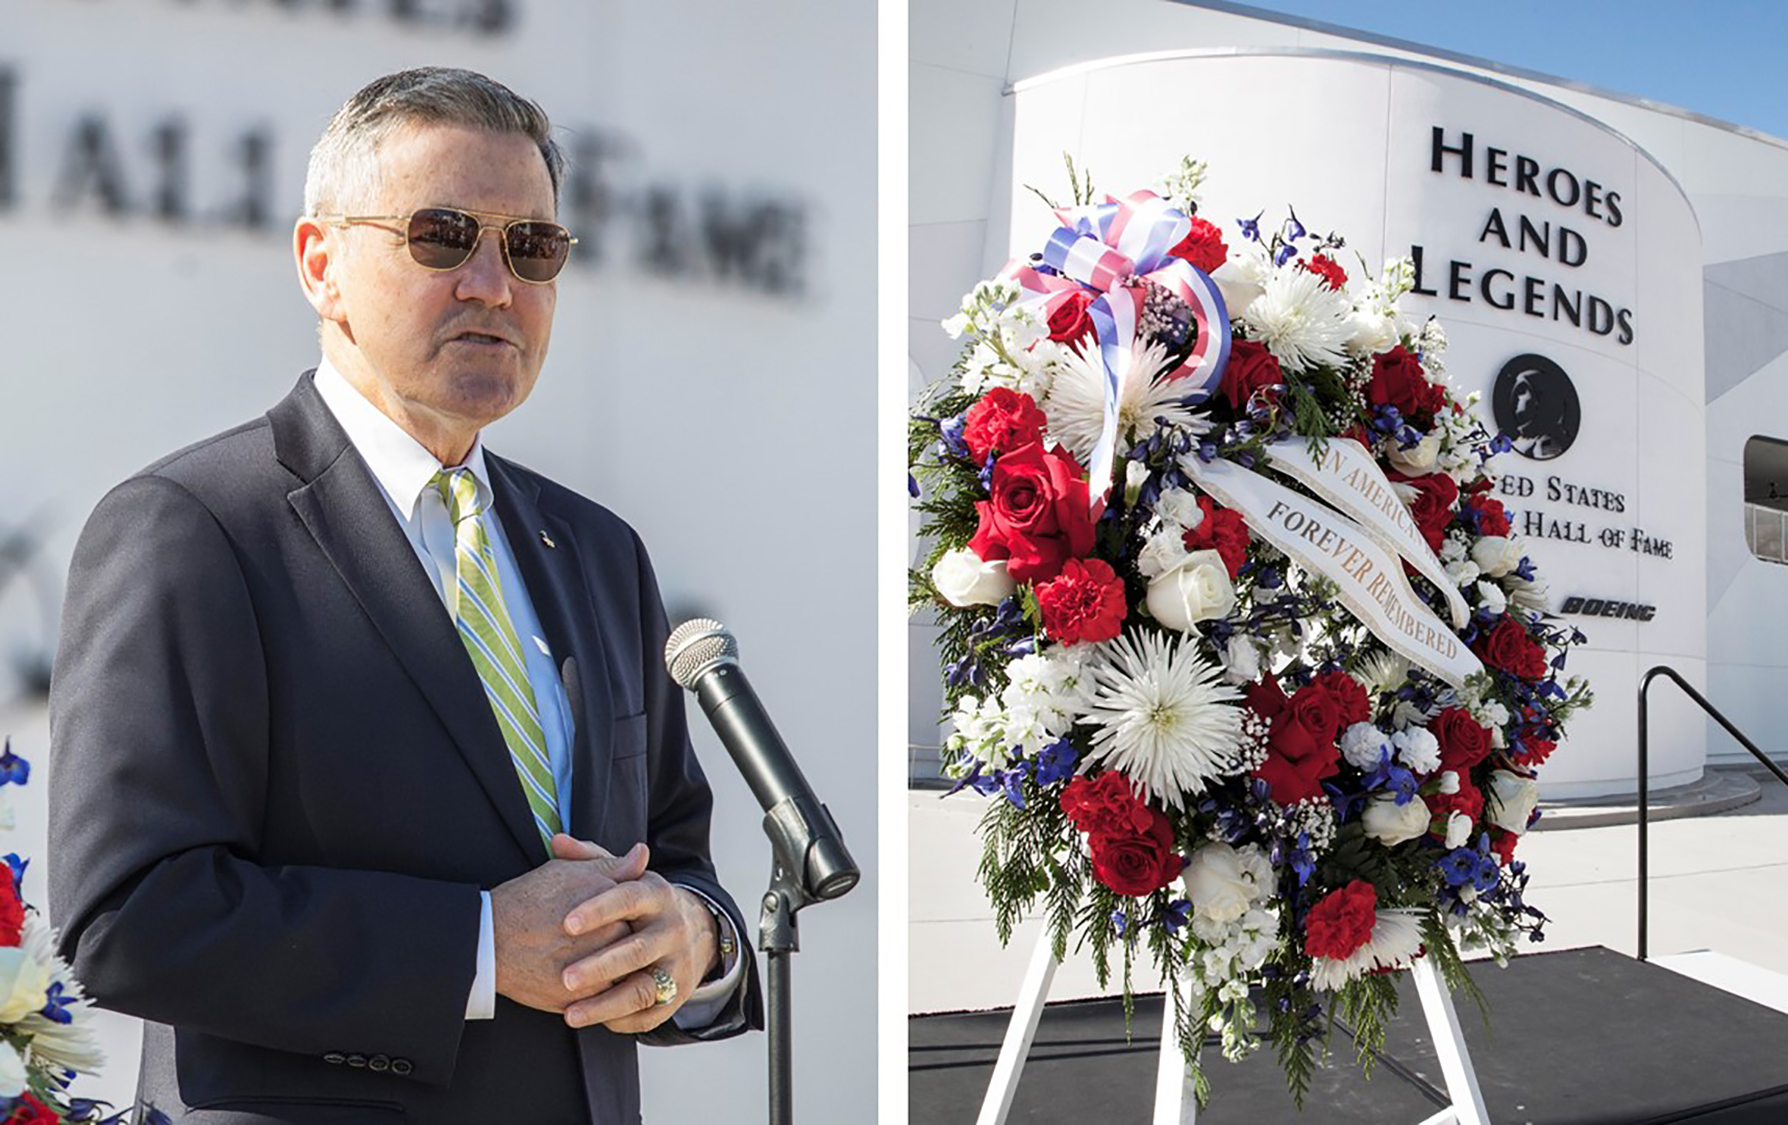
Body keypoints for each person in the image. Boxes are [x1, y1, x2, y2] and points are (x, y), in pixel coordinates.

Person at [47, 67, 760, 1124]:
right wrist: (475, 946)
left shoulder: (600, 552)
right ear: (320, 264)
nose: (492, 284)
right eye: (441, 235)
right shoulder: (193, 528)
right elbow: (130, 918)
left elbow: (680, 857)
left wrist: (694, 940)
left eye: (531, 247)